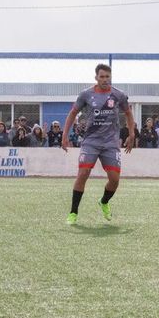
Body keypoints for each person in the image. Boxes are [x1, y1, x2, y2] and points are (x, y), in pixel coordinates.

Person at [61, 63, 135, 225]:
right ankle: (73, 212)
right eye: (101, 77)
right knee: (83, 173)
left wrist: (131, 134)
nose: (105, 80)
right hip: (91, 142)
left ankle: (104, 201)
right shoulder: (86, 95)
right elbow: (72, 113)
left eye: (107, 76)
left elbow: (128, 113)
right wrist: (65, 135)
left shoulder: (119, 95)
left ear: (110, 77)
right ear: (96, 78)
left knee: (115, 180)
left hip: (110, 143)